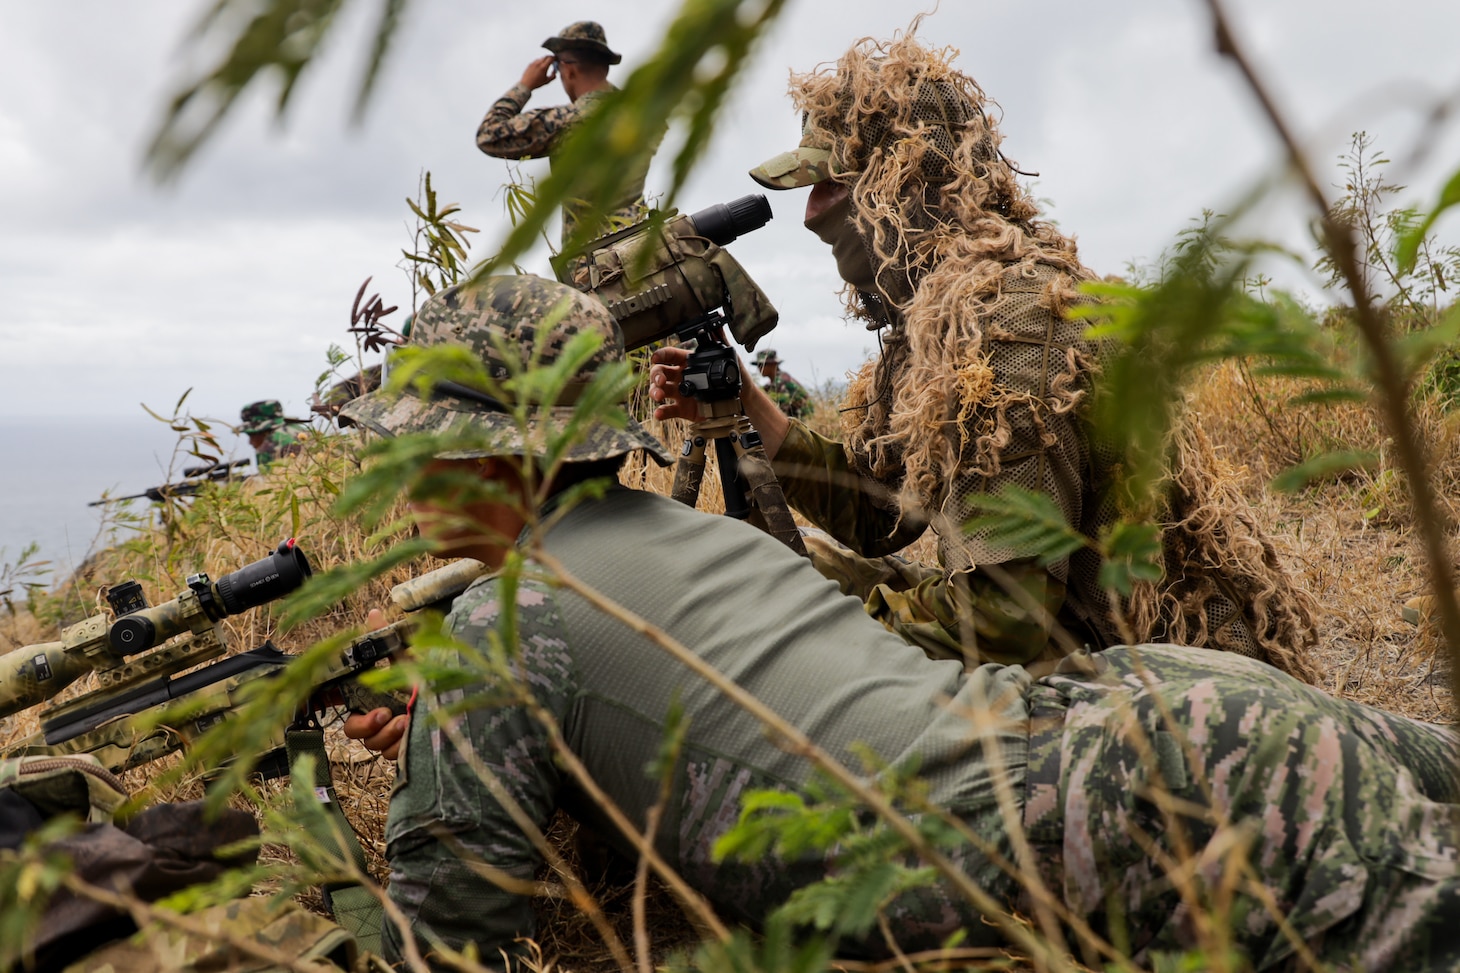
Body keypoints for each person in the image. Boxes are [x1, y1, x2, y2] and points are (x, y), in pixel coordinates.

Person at [341, 273, 1460, 972]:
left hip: (1120, 806)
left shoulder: (506, 623)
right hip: (1155, 708)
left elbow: (445, 948)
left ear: (482, 452)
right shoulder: (701, 537)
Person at [650, 31, 1319, 676]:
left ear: (902, 184)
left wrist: (819, 627)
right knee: (792, 571)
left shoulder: (1009, 323)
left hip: (1155, 687)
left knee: (798, 614)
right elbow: (879, 514)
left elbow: (1006, 622)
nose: (810, 213)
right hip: (1069, 638)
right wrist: (751, 406)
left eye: (828, 184)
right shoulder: (940, 319)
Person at [475, 21, 656, 248]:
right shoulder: (638, 115)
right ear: (606, 67)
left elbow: (489, 135)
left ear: (568, 69)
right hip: (640, 249)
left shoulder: (570, 122)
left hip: (597, 265)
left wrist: (525, 86)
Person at [239, 399, 309, 471]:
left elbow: (267, 479)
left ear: (264, 431)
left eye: (252, 435)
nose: (250, 442)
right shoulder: (299, 430)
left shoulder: (269, 445)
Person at [753, 348, 811, 419]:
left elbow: (782, 412)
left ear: (773, 364)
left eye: (762, 365)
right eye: (758, 365)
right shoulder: (772, 383)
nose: (759, 368)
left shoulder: (783, 381)